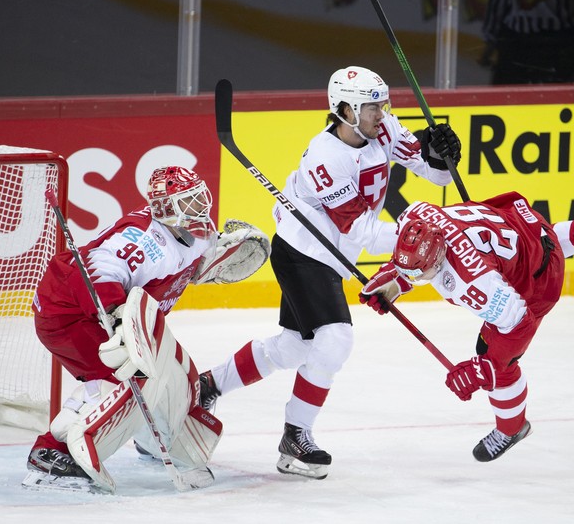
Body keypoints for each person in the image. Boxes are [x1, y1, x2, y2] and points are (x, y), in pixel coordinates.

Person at [198, 66, 463, 480]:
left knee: (294, 348)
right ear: (345, 109)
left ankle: (208, 385)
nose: (383, 113)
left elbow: (436, 175)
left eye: (383, 104)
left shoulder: (384, 129)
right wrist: (417, 240)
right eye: (372, 107)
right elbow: (361, 231)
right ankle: (295, 436)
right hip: (303, 252)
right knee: (335, 338)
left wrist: (441, 155)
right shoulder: (326, 158)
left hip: (331, 258)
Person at [23, 166, 270, 493]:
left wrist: (220, 253)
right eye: (189, 202)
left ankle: (151, 442)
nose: (200, 207)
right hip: (68, 313)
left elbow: (196, 264)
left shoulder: (193, 232)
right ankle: (51, 452)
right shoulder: (148, 241)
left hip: (99, 313)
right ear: (167, 209)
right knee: (123, 377)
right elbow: (100, 268)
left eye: (200, 198)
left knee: (176, 378)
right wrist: (117, 311)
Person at [359, 193, 574, 461]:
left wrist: (484, 368)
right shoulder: (417, 215)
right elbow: (417, 257)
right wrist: (395, 280)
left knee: (494, 357)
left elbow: (520, 324)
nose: (416, 277)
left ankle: (513, 428)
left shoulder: (474, 282)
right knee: (540, 239)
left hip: (539, 281)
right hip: (523, 224)